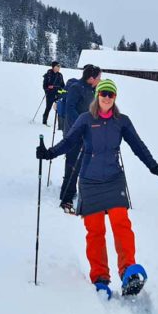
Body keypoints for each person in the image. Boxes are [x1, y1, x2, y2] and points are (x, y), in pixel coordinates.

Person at [36, 78, 158, 298]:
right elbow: (69, 142)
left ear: (115, 98)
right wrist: (48, 153)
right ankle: (100, 278)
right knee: (95, 231)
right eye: (103, 93)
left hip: (114, 179)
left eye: (111, 94)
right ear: (97, 95)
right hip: (89, 180)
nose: (107, 98)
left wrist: (155, 168)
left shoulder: (122, 121)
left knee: (122, 224)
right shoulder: (85, 119)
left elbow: (138, 146)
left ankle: (128, 272)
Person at [57, 64, 100, 213]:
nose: (100, 80)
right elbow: (70, 109)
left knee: (81, 163)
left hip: (86, 133)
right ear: (91, 78)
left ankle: (73, 190)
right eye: (99, 77)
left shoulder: (91, 89)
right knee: (72, 163)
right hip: (74, 133)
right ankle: (66, 196)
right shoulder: (76, 88)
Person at [41, 62, 65, 127]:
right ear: (53, 67)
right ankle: (44, 122)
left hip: (58, 94)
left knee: (59, 108)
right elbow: (44, 86)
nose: (59, 68)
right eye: (57, 66)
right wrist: (48, 89)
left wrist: (63, 91)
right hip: (50, 94)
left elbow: (63, 85)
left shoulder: (60, 75)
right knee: (48, 108)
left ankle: (60, 124)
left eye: (59, 66)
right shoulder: (48, 75)